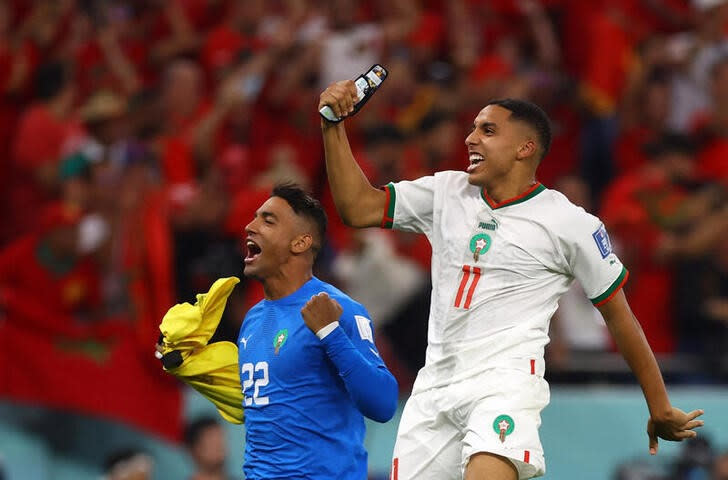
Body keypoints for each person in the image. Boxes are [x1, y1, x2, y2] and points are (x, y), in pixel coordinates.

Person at [318, 84, 704, 479]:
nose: (470, 138)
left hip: (504, 384)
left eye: (487, 130)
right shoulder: (447, 192)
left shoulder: (570, 224)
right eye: (473, 128)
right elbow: (357, 208)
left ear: (525, 148)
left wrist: (658, 406)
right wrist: (333, 125)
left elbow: (621, 318)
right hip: (433, 388)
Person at [238, 184, 398, 479]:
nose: (250, 226)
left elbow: (384, 403)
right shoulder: (252, 320)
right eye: (255, 217)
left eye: (268, 220)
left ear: (300, 242)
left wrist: (330, 333)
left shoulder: (338, 310)